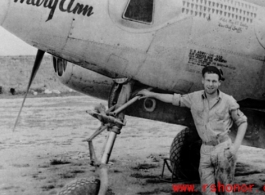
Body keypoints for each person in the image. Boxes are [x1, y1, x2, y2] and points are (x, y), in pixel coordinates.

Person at [138, 66, 247, 195]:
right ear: (203, 81)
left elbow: (242, 122)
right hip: (205, 151)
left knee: (225, 192)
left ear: (219, 83)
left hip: (223, 150)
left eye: (214, 81)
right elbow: (174, 99)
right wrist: (152, 94)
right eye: (208, 80)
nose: (210, 84)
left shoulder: (228, 100)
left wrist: (235, 148)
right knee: (207, 192)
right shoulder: (194, 98)